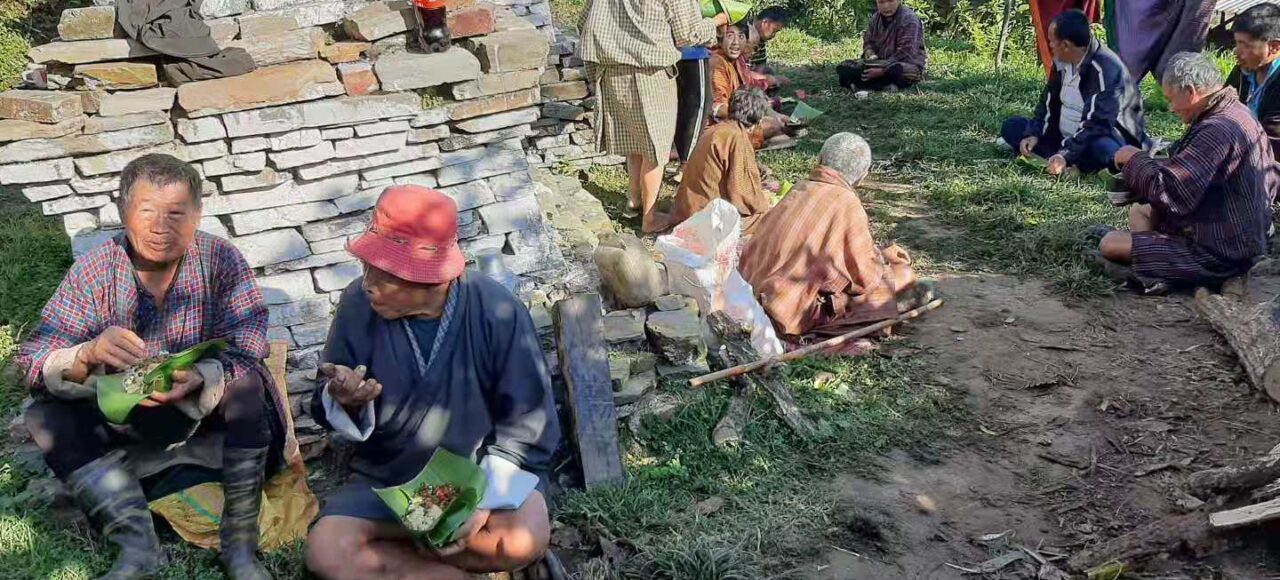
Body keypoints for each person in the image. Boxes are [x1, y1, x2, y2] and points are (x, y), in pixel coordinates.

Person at [15, 153, 284, 580]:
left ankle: (240, 550)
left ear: (197, 214)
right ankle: (138, 549)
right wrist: (85, 354)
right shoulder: (94, 271)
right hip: (130, 423)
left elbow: (250, 336)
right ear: (123, 211)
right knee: (44, 415)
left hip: (205, 415)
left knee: (247, 384)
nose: (162, 226)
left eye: (177, 213)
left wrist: (202, 377)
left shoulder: (220, 260)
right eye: (147, 211)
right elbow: (32, 362)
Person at [304, 185, 563, 580]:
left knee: (520, 539)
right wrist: (344, 399)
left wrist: (478, 508)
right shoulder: (358, 303)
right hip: (391, 480)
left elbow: (528, 428)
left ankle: (423, 553)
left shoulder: (497, 311)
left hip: (476, 477)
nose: (368, 282)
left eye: (384, 273)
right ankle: (447, 571)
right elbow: (328, 395)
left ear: (432, 278)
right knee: (327, 551)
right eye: (367, 266)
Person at [1098, 52, 1276, 294]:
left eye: (1171, 99)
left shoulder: (1216, 130)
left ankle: (1160, 273)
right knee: (1140, 212)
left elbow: (1171, 194)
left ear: (1191, 92)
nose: (1171, 108)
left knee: (1110, 244)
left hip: (1222, 254)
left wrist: (1133, 160)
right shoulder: (1236, 113)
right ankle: (1156, 265)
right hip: (1239, 235)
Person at [739, 133, 921, 342]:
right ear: (862, 176)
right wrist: (885, 261)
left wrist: (879, 254)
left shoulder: (800, 187)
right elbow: (864, 279)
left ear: (819, 160)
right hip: (783, 313)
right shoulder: (846, 202)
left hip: (748, 295)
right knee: (903, 275)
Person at [579, 0, 727, 233]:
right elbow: (687, 34)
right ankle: (649, 218)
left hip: (610, 69)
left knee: (636, 139)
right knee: (656, 147)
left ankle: (634, 200)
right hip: (649, 72)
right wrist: (717, 22)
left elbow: (583, 21)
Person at [1000, 9, 1149, 176]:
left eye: (1052, 42)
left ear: (1065, 45)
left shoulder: (1105, 68)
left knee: (1105, 151)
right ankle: (1064, 162)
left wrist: (1065, 155)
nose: (1049, 46)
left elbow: (1097, 124)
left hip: (1100, 138)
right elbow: (1048, 103)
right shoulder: (1061, 62)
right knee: (1011, 126)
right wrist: (1034, 133)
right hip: (1064, 137)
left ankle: (1072, 163)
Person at [671, 87, 772, 233]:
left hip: (686, 209)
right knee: (768, 216)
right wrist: (763, 200)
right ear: (758, 120)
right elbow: (742, 193)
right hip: (705, 220)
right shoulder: (737, 138)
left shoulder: (715, 130)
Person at [711, 23, 788, 149]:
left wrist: (775, 114)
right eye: (730, 36)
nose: (735, 42)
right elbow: (718, 108)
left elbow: (749, 93)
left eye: (741, 37)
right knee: (773, 126)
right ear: (721, 40)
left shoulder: (737, 60)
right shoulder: (716, 63)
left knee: (778, 126)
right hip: (721, 124)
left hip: (739, 117)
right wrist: (754, 118)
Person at [1227, 3, 1280, 160]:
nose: (1236, 51)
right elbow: (1218, 108)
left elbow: (1271, 143)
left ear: (1274, 47)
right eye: (1236, 43)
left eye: (1245, 45)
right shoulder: (1244, 70)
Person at [836, 0, 927, 93]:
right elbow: (868, 41)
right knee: (844, 66)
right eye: (881, 2)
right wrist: (869, 52)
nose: (886, 6)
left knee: (895, 71)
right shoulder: (876, 18)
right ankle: (880, 85)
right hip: (877, 62)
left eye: (890, 1)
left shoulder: (909, 19)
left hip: (903, 64)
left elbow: (906, 51)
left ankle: (863, 84)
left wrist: (882, 70)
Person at [674, 43, 715, 174]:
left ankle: (684, 159)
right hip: (691, 51)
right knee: (699, 105)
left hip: (669, 51)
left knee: (679, 105)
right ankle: (687, 163)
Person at [745, 6, 789, 77]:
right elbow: (742, 70)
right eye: (774, 31)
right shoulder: (745, 34)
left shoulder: (761, 38)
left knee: (768, 71)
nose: (774, 35)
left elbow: (761, 64)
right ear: (765, 23)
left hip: (749, 73)